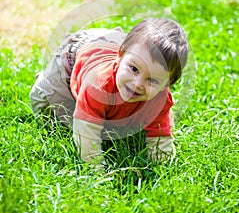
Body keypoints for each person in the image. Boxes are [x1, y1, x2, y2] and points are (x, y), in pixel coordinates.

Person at [30, 18, 188, 165]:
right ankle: (46, 79)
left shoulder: (160, 98)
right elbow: (86, 134)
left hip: (118, 48)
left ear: (167, 85)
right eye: (133, 69)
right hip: (78, 55)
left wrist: (160, 165)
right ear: (120, 57)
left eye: (152, 80)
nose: (137, 84)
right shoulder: (98, 85)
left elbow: (161, 139)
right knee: (45, 105)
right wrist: (96, 169)